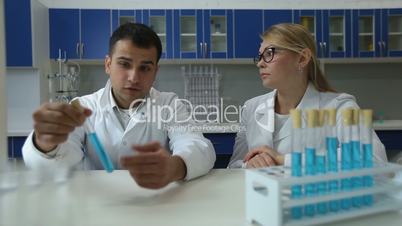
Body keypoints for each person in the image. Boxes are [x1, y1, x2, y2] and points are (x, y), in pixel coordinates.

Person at [22, 23, 216, 189]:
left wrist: (173, 167)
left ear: (155, 71)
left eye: (145, 68)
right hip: (96, 205)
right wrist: (46, 143)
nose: (134, 77)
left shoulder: (169, 105)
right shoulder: (83, 106)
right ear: (108, 64)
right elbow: (62, 161)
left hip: (155, 205)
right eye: (124, 64)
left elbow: (198, 146)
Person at [228, 23, 387, 168]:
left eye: (270, 53)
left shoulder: (341, 107)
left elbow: (373, 159)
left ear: (302, 58)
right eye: (260, 55)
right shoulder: (251, 108)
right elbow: (233, 166)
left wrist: (283, 160)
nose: (260, 63)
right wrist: (247, 165)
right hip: (262, 197)